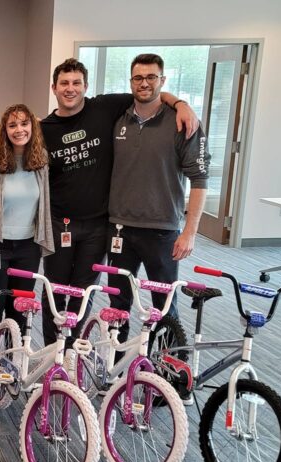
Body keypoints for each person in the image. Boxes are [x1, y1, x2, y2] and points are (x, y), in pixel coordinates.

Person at [0, 58, 199, 346]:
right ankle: (53, 354)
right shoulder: (43, 129)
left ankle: (71, 354)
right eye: (64, 83)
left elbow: (150, 93)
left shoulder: (105, 107)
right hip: (59, 225)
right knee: (56, 293)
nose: (70, 89)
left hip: (99, 227)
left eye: (76, 83)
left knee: (85, 294)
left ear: (86, 86)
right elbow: (15, 140)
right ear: (54, 88)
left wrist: (181, 104)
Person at [107, 53, 208, 342]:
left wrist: (190, 232)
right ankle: (117, 369)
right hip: (119, 228)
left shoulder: (182, 122)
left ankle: (164, 371)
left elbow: (199, 180)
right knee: (118, 305)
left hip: (163, 231)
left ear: (162, 81)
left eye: (152, 77)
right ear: (131, 81)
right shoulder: (119, 117)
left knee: (164, 307)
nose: (144, 83)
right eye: (138, 77)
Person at [0, 104, 54, 355]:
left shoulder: (41, 162)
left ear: (32, 127)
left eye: (25, 124)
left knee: (20, 308)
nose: (19, 129)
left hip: (28, 246)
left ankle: (12, 361)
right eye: (12, 125)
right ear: (3, 130)